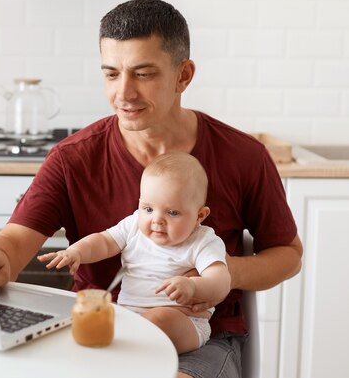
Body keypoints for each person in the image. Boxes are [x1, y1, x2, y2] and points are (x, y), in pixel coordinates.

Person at [0, 0, 303, 378]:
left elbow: (288, 255)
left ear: (183, 75)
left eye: (143, 73)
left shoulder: (244, 156)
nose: (124, 93)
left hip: (198, 340)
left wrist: (218, 275)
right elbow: (14, 242)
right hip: (98, 334)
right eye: (111, 74)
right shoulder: (72, 158)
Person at [38, 152, 231, 354]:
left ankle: (125, 350)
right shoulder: (134, 226)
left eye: (172, 212)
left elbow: (221, 281)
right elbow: (104, 241)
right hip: (130, 317)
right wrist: (76, 251)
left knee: (161, 318)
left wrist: (193, 286)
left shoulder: (203, 241)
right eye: (148, 209)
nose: (157, 219)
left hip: (184, 323)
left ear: (199, 215)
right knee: (88, 317)